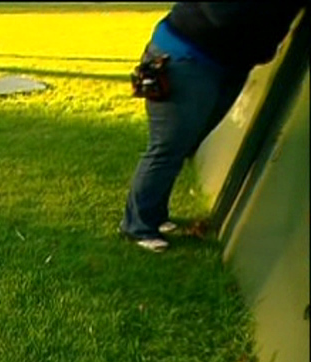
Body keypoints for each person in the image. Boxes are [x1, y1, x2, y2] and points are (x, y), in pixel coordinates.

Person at [120, 2, 303, 252]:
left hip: (228, 67)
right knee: (168, 147)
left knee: (184, 144)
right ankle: (136, 226)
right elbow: (223, 14)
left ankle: (154, 214)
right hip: (184, 57)